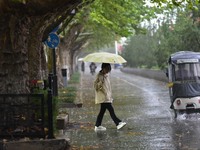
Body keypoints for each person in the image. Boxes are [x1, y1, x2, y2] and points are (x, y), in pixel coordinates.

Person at [93, 63, 126, 131]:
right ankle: (118, 123)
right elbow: (96, 87)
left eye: (109, 69)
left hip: (107, 97)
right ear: (103, 68)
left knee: (102, 112)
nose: (108, 70)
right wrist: (100, 82)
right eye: (107, 69)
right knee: (111, 110)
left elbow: (108, 88)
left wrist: (110, 96)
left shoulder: (106, 75)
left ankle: (97, 125)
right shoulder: (99, 76)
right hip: (103, 97)